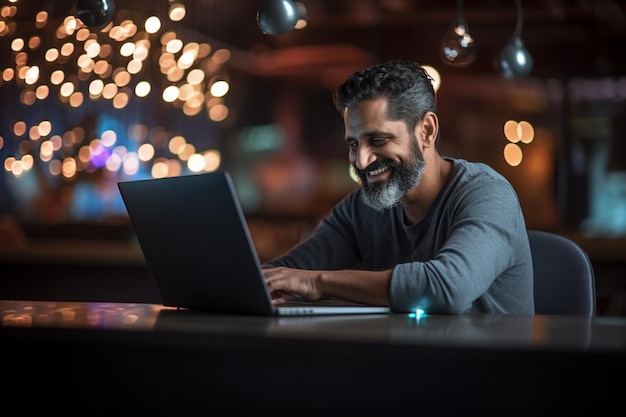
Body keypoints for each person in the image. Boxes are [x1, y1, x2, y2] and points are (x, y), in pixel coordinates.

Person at [262, 60, 534, 314]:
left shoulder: (488, 195)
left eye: (378, 140)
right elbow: (285, 273)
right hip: (405, 360)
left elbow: (447, 288)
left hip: (485, 363)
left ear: (426, 130)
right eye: (353, 144)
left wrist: (316, 282)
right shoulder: (363, 207)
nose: (361, 159)